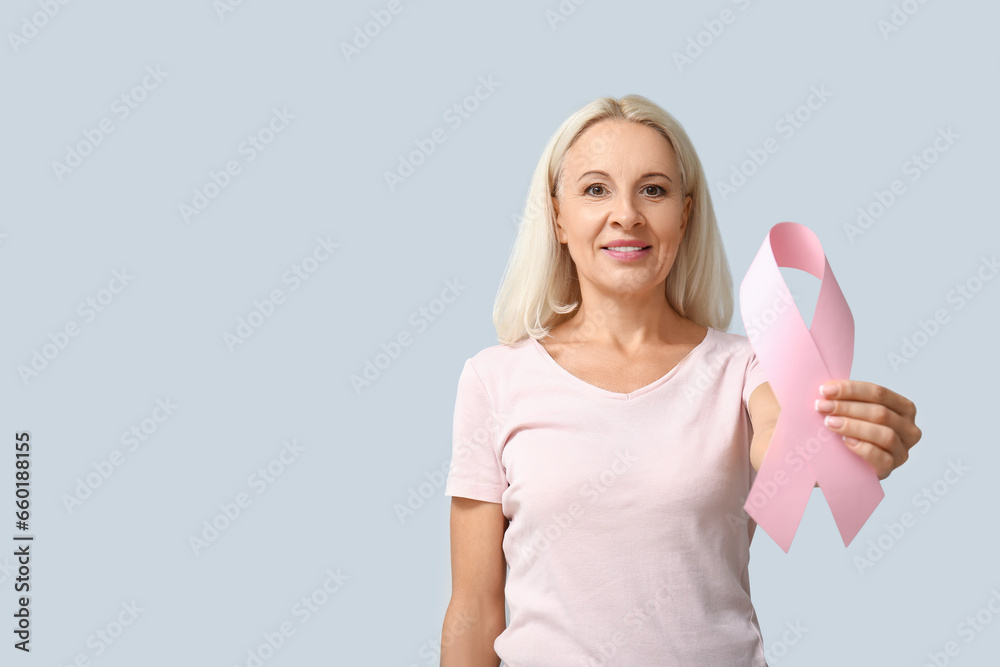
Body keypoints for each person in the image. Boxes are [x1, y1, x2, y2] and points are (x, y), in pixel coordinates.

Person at [439, 94, 921, 666]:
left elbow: (779, 435)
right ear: (557, 217)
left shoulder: (744, 367)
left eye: (654, 190)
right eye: (596, 189)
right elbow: (473, 608)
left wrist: (841, 445)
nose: (627, 215)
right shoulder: (494, 380)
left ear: (685, 214)